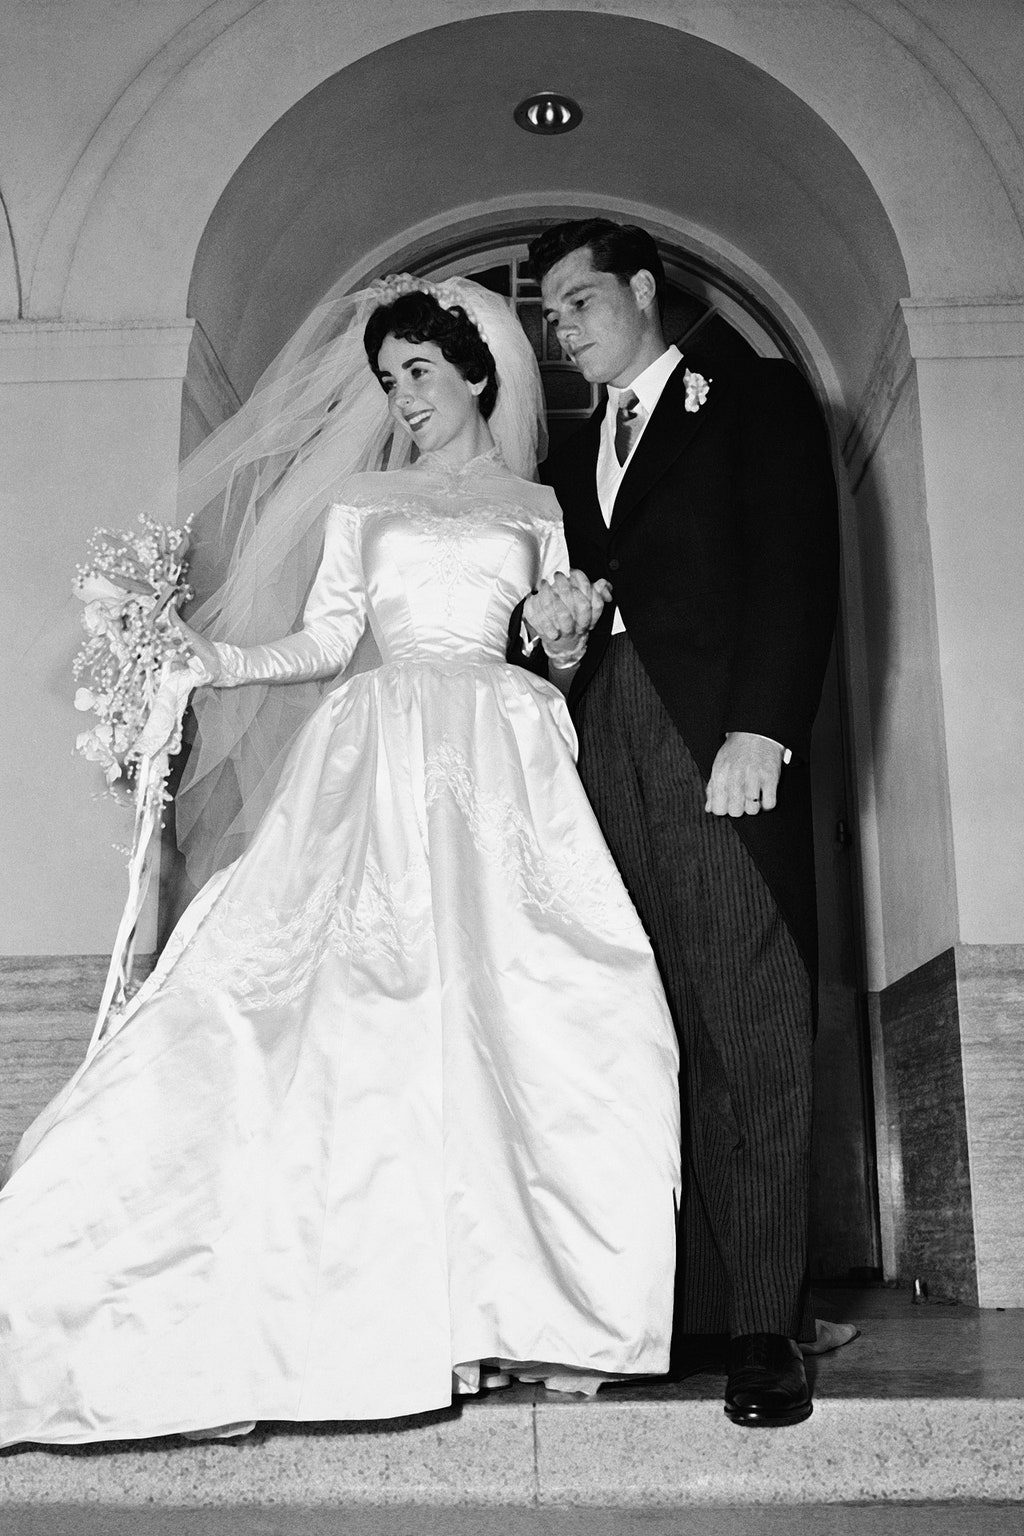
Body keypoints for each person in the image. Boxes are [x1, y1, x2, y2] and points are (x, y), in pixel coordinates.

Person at [0, 279, 680, 1448]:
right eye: (387, 379)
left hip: (505, 758)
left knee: (541, 1010)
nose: (401, 397)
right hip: (381, 748)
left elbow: (558, 648)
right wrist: (214, 662)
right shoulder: (365, 501)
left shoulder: (538, 504)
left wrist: (566, 644)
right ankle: (353, 1309)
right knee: (363, 1012)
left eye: (418, 371)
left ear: (476, 372)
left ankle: (517, 1310)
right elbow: (328, 637)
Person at [522, 219, 841, 1428]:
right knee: (649, 1034)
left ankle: (766, 1328)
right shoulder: (565, 461)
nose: (563, 328)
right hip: (601, 757)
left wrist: (762, 728)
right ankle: (692, 1309)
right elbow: (558, 625)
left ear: (644, 290)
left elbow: (796, 563)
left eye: (580, 300)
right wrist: (557, 645)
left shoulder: (752, 395)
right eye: (550, 313)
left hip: (715, 749)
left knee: (751, 1022)